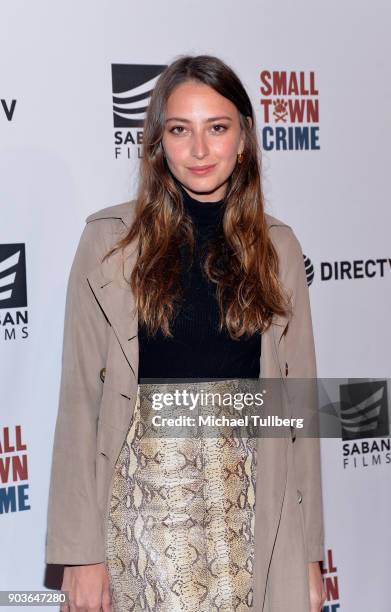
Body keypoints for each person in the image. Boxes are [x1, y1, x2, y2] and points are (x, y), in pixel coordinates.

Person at [46, 54, 326, 611]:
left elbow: (299, 417)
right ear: (157, 141)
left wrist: (310, 554)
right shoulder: (108, 243)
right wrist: (81, 554)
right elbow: (80, 402)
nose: (199, 150)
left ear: (243, 138)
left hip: (255, 512)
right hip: (141, 519)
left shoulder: (279, 248)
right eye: (180, 130)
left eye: (216, 128)